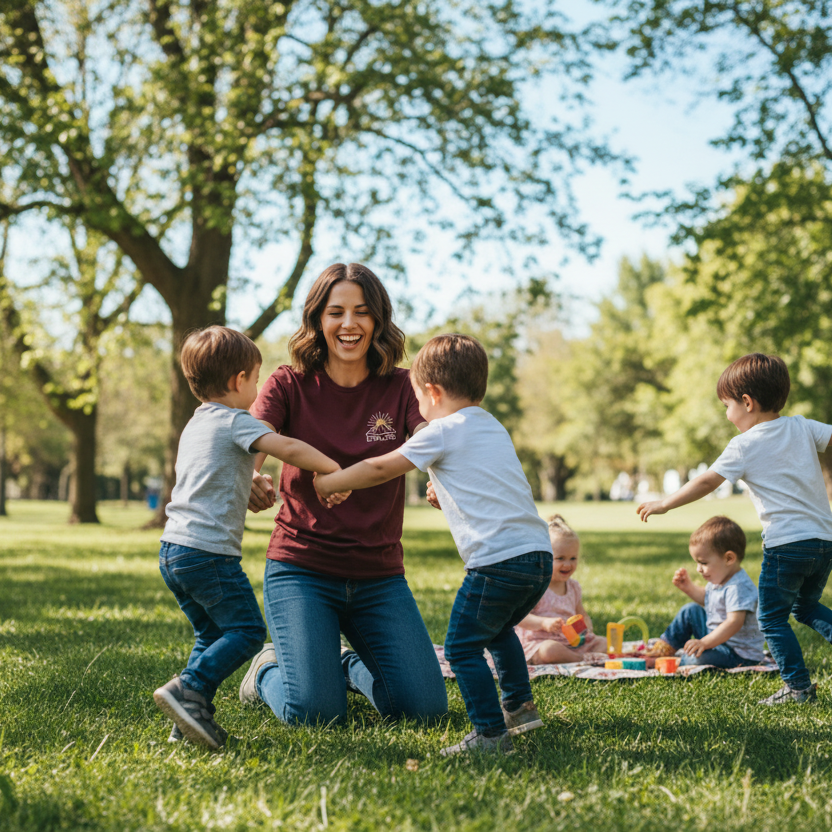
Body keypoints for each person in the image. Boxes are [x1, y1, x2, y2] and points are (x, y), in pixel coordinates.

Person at [315, 333, 553, 756]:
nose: (417, 409)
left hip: (496, 562)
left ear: (432, 392)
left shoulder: (442, 429)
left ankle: (490, 735)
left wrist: (333, 481)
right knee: (497, 629)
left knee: (462, 647)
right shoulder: (492, 425)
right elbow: (486, 486)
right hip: (536, 554)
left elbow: (379, 467)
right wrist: (447, 492)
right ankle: (520, 706)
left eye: (417, 399)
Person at [239, 263, 448, 728]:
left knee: (426, 710)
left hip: (379, 576)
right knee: (315, 714)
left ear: (378, 320)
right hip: (301, 571)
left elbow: (435, 440)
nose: (349, 324)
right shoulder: (288, 383)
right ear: (317, 320)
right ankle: (266, 671)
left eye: (362, 312)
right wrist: (249, 479)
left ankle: (345, 666)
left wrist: (443, 480)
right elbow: (250, 438)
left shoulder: (403, 386)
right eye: (336, 312)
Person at [153, 326, 343, 749]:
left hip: (174, 550)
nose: (257, 390)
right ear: (239, 381)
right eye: (255, 381)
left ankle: (187, 720)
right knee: (245, 631)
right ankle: (188, 688)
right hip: (208, 554)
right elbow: (286, 447)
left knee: (210, 635)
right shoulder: (235, 420)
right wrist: (330, 467)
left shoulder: (196, 424)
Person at [638, 353, 832, 703]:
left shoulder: (744, 445)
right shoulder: (803, 426)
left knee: (771, 619)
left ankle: (798, 688)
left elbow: (705, 482)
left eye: (727, 405)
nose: (727, 415)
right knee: (804, 608)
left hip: (786, 545)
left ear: (747, 402)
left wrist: (664, 503)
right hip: (823, 542)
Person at [646, 516, 765, 668]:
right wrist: (689, 588)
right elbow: (709, 601)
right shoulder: (719, 579)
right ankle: (665, 648)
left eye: (703, 563)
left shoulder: (738, 587)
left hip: (737, 654)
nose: (698, 569)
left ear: (729, 558)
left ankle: (675, 662)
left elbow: (734, 622)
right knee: (690, 610)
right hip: (716, 640)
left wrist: (704, 643)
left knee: (695, 660)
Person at [515, 515, 607, 664]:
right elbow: (520, 618)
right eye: (560, 558)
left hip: (572, 642)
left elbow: (581, 613)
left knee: (604, 642)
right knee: (549, 651)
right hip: (540, 641)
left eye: (573, 558)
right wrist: (543, 623)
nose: (567, 564)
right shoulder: (536, 586)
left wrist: (587, 628)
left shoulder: (573, 587)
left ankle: (574, 656)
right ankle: (581, 659)